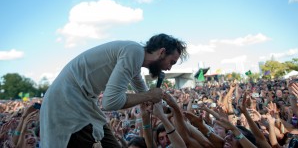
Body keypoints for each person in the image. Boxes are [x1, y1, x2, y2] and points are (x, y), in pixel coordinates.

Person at [39, 33, 188, 148]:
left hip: (81, 103)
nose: (169, 68)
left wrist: (153, 101)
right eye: (171, 62)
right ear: (161, 52)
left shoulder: (135, 58)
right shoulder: (134, 51)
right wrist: (149, 95)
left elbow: (140, 87)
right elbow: (110, 102)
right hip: (67, 103)